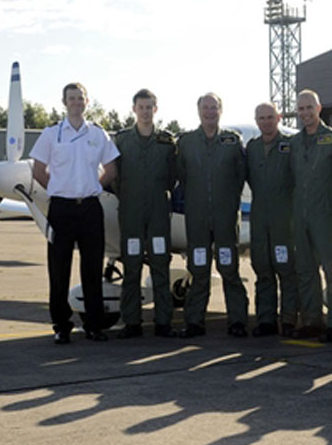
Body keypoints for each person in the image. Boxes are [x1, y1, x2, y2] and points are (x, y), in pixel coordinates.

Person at [31, 82, 119, 344]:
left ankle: (93, 325)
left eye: (80, 98)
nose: (76, 102)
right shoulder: (51, 134)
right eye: (72, 98)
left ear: (87, 102)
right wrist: (59, 190)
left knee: (92, 268)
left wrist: (92, 187)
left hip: (91, 208)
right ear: (64, 102)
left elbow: (111, 169)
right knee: (59, 270)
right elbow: (38, 171)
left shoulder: (98, 134)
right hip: (61, 209)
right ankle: (61, 325)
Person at [176, 92, 249, 337]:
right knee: (198, 268)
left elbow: (240, 176)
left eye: (214, 107)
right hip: (197, 218)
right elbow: (182, 177)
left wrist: (227, 203)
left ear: (221, 110)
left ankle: (237, 320)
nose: (210, 112)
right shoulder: (186, 142)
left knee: (229, 267)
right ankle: (195, 321)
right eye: (205, 108)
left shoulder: (232, 140)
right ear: (198, 111)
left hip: (226, 218)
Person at [112, 89, 177, 339]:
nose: (146, 111)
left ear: (156, 110)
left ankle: (163, 322)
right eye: (141, 107)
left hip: (159, 212)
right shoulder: (122, 140)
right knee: (132, 265)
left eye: (150, 107)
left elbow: (173, 177)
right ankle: (132, 322)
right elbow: (115, 175)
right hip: (131, 213)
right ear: (134, 109)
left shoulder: (167, 142)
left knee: (160, 264)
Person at [288, 89, 332, 341]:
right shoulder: (294, 143)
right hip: (300, 217)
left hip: (326, 215)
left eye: (309, 108)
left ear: (319, 108)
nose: (305, 113)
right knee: (306, 270)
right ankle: (312, 320)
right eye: (300, 109)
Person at [246, 102, 299, 337]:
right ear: (256, 121)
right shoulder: (253, 148)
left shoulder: (290, 146)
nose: (266, 122)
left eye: (270, 117)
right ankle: (265, 319)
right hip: (259, 218)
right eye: (261, 118)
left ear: (278, 118)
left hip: (283, 219)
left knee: (286, 270)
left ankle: (288, 319)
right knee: (263, 269)